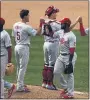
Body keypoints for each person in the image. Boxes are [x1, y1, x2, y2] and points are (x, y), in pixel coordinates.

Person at [40, 5, 81, 90]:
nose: (56, 14)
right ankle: (50, 84)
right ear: (52, 13)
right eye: (55, 12)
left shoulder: (45, 22)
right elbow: (67, 28)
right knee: (52, 65)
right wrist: (77, 22)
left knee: (46, 64)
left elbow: (44, 33)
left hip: (45, 44)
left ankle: (44, 82)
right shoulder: (55, 23)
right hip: (53, 45)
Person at [12, 9, 41, 92]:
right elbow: (38, 33)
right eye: (28, 15)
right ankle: (20, 86)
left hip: (17, 46)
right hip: (23, 47)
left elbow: (14, 37)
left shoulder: (15, 25)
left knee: (19, 66)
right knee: (22, 67)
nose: (29, 17)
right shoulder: (26, 27)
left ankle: (19, 84)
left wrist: (16, 46)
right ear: (25, 16)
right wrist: (41, 23)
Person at [53, 18, 77, 99]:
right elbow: (52, 34)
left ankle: (70, 94)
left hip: (69, 56)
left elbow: (72, 50)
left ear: (66, 24)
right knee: (56, 72)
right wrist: (48, 27)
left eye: (62, 23)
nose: (61, 25)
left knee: (70, 75)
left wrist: (70, 62)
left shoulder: (71, 36)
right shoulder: (60, 32)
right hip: (61, 56)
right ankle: (65, 87)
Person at [0, 17, 15, 99]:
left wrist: (9, 61)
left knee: (0, 78)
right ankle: (10, 86)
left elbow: (9, 48)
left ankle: (1, 97)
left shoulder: (5, 34)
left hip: (3, 58)